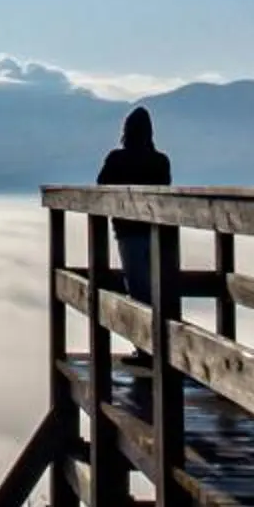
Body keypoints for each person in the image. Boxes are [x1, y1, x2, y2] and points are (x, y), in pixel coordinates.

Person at [96, 104, 172, 348]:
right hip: (157, 232)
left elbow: (101, 185)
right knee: (159, 286)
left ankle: (145, 347)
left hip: (128, 232)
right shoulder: (161, 161)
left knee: (138, 288)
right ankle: (162, 346)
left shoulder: (117, 158)